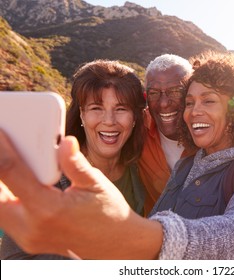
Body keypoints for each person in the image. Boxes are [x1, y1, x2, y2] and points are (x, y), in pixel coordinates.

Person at [0, 51, 234, 260]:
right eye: (190, 101)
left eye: (208, 101)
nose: (192, 110)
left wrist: (135, 237)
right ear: (82, 115)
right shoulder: (184, 164)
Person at [0, 59, 146, 259]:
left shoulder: (140, 169)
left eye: (121, 109)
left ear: (135, 117)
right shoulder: (46, 177)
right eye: (96, 108)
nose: (110, 121)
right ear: (81, 115)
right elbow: (14, 261)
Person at [139, 54, 193, 214]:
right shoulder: (136, 131)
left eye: (176, 91)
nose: (163, 103)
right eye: (154, 93)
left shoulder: (212, 136)